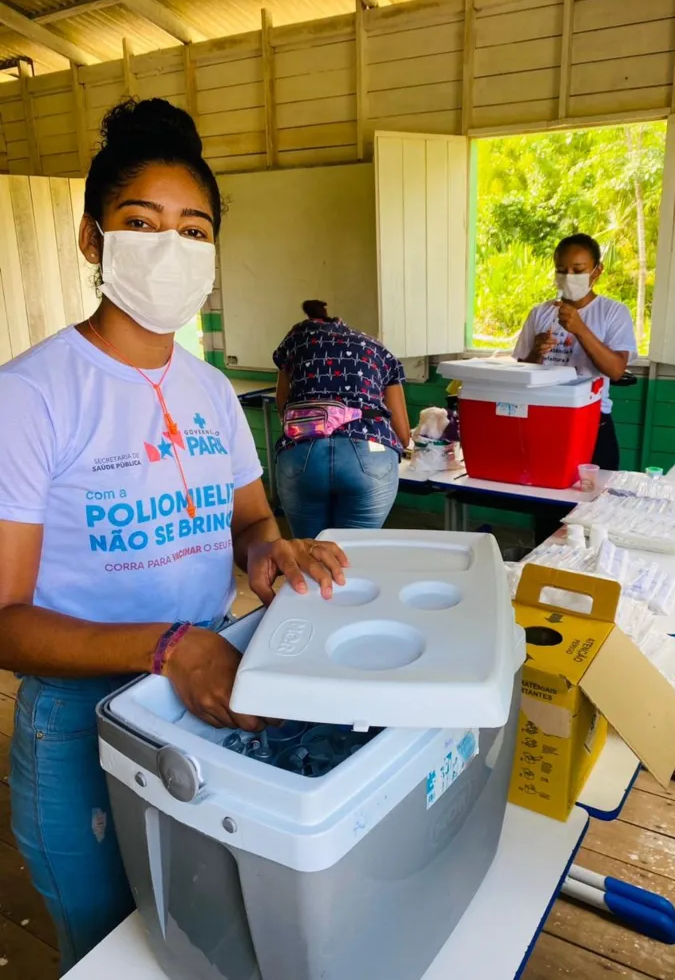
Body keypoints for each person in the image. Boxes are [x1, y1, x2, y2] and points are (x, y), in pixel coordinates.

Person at [0, 99, 347, 974]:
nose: (172, 248)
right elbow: (3, 618)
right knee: (114, 956)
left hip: (204, 694)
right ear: (92, 240)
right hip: (83, 724)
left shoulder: (210, 392)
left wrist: (269, 552)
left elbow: (252, 522)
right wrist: (168, 648)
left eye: (195, 231)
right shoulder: (31, 396)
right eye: (141, 224)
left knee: (195, 942)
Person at [274, 303, 411, 538]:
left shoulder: (295, 341)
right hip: (370, 457)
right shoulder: (377, 349)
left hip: (302, 454)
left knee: (311, 555)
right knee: (354, 556)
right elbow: (403, 435)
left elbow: (282, 407)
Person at [514, 233, 637, 471]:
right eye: (562, 270)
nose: (569, 277)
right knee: (544, 496)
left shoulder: (613, 312)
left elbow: (615, 370)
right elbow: (522, 371)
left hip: (591, 420)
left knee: (591, 497)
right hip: (543, 415)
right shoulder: (540, 313)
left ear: (597, 271)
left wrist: (581, 330)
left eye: (578, 270)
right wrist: (536, 354)